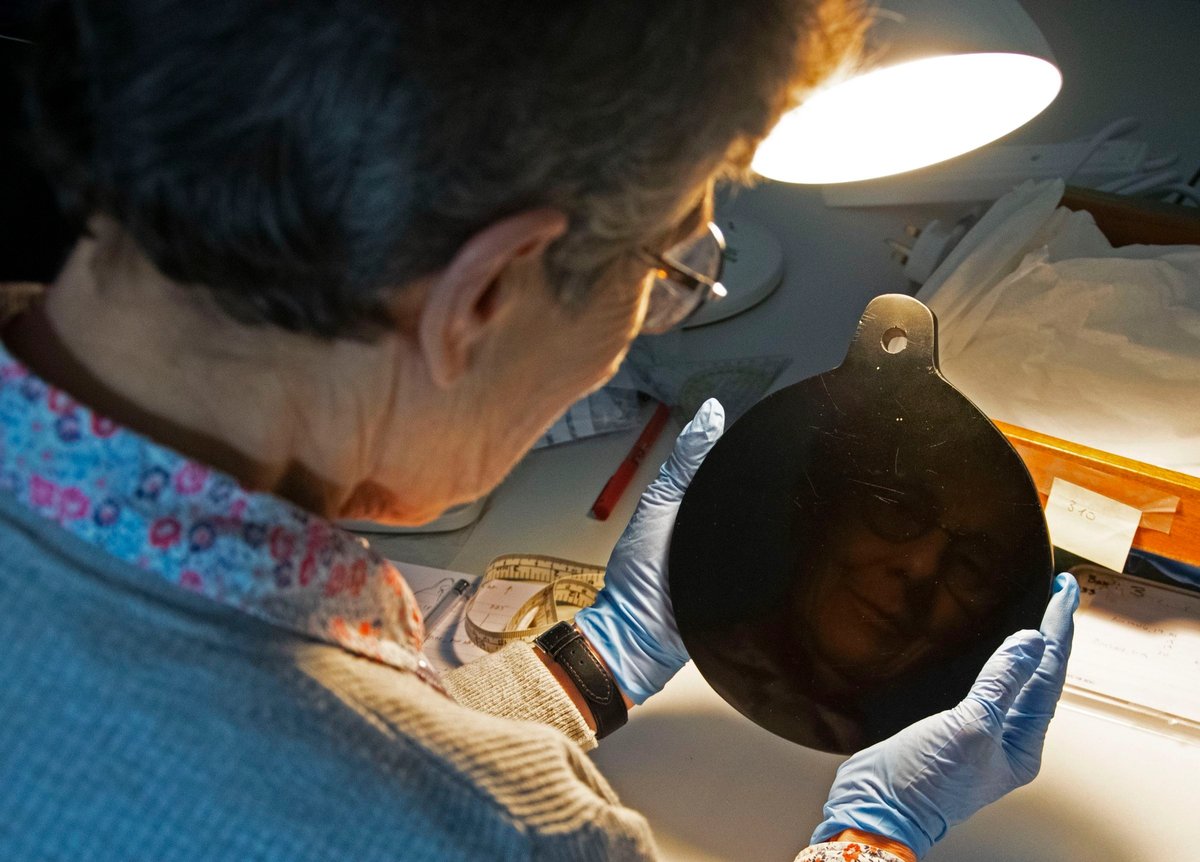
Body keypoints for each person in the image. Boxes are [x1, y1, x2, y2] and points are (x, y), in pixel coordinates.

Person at [0, 1, 1079, 860]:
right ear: (484, 295)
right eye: (671, 270)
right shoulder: (498, 833)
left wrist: (588, 663)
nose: (662, 309)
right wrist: (869, 839)